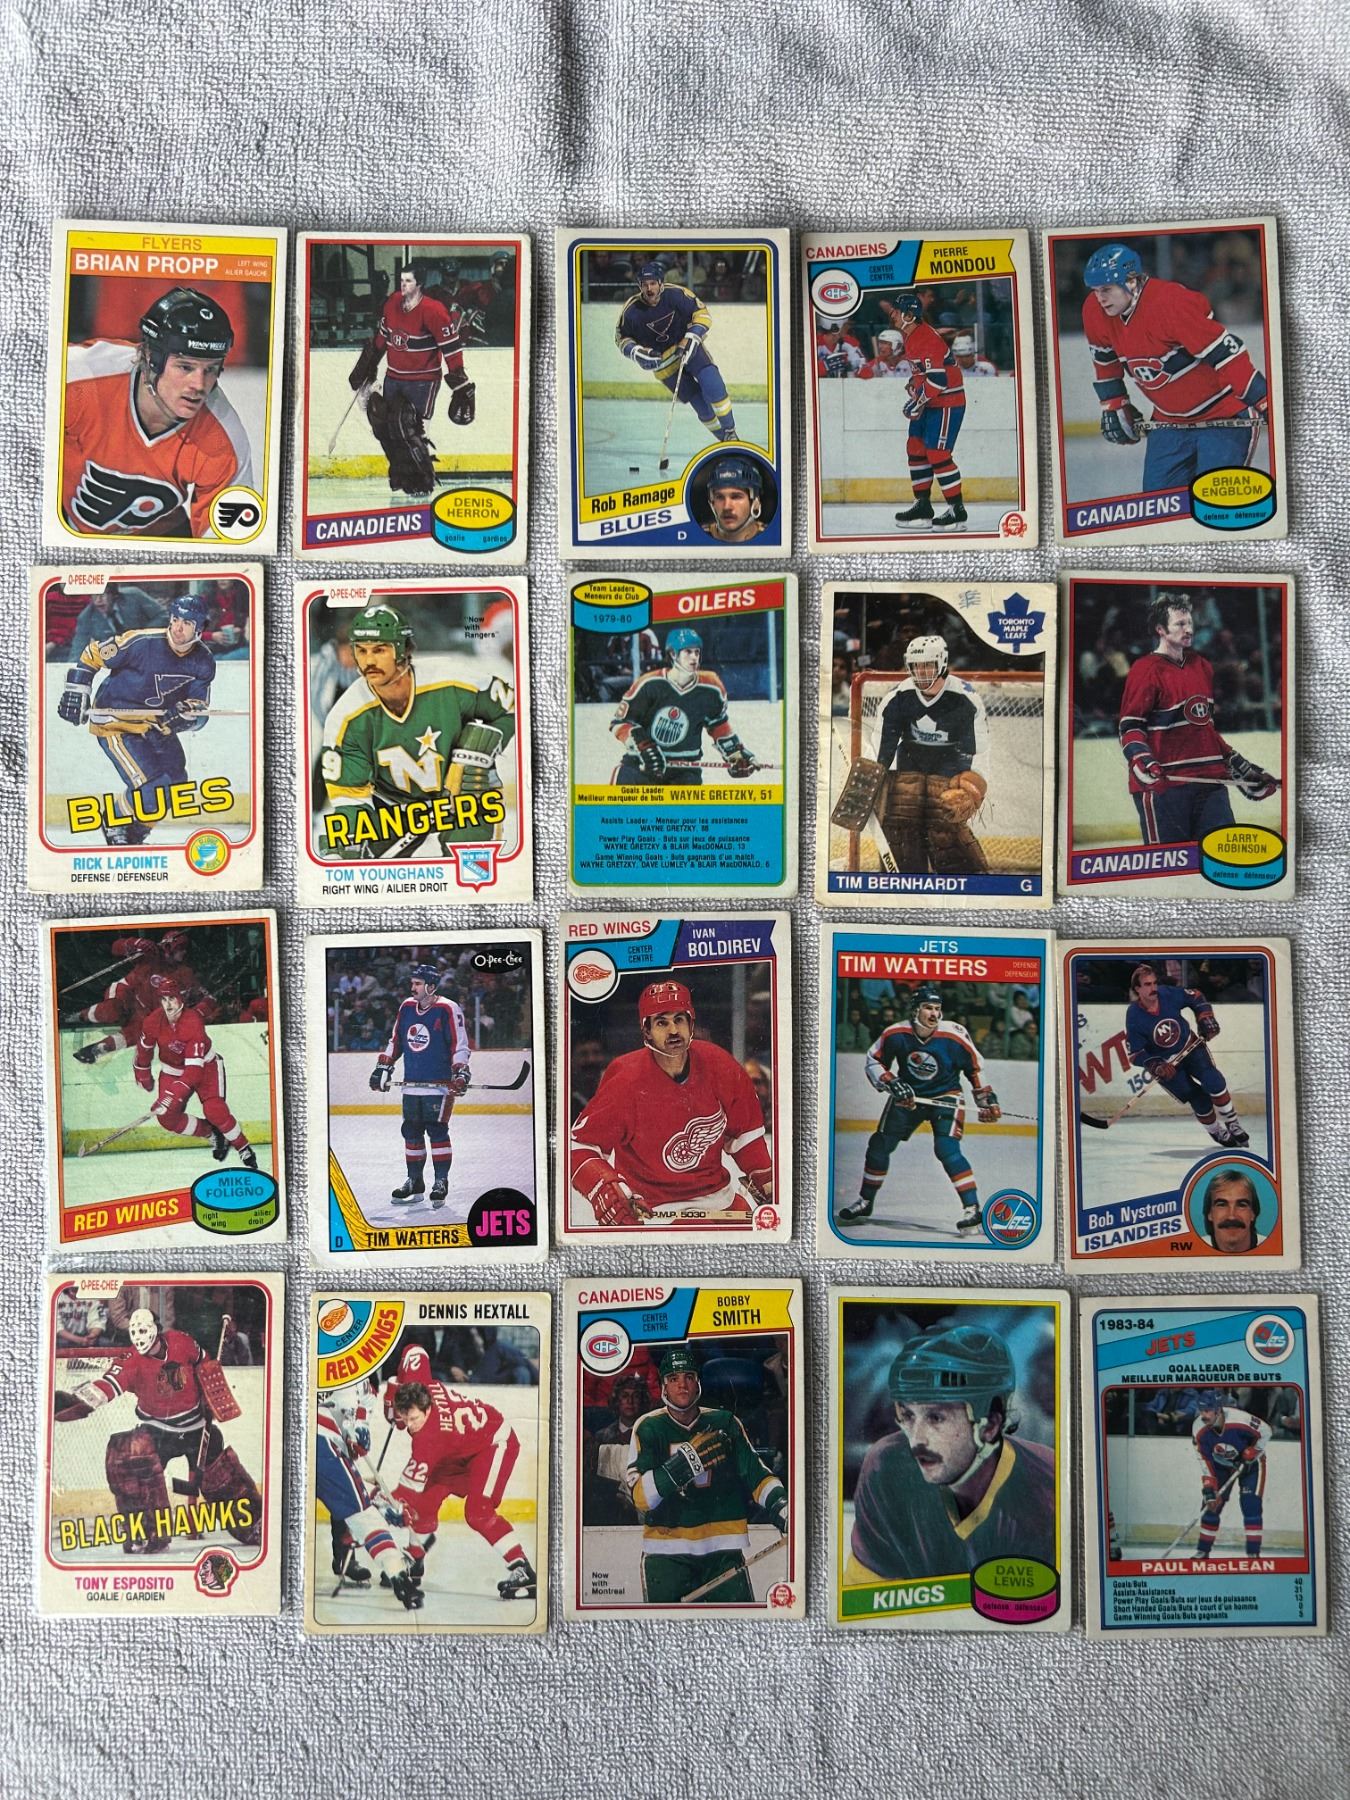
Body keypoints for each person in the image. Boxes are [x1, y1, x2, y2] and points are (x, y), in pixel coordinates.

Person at [845, 1325, 1056, 1582]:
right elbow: (866, 1597)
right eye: (908, 1416)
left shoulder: (1048, 1490)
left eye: (936, 1417)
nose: (916, 1439)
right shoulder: (886, 1465)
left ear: (990, 1425)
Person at [51, 1306, 262, 1554]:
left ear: (156, 1329)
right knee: (129, 1459)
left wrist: (210, 1390)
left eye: (143, 1330)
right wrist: (74, 1402)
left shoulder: (181, 1341)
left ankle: (254, 1522)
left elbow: (204, 1361)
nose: (139, 1337)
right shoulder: (130, 1360)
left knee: (224, 1479)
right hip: (159, 1433)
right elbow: (105, 1387)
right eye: (134, 1332)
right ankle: (146, 1531)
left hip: (197, 1430)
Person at [318, 601, 515, 861]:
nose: (369, 661)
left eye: (379, 650)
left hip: (463, 798)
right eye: (361, 650)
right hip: (395, 809)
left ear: (402, 649)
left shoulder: (451, 679)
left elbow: (511, 707)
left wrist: (479, 751)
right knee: (347, 851)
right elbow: (350, 797)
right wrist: (352, 843)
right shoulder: (347, 716)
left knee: (473, 874)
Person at [570, 980, 772, 1227]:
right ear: (646, 1031)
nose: (674, 1030)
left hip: (720, 1200)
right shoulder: (626, 1080)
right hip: (653, 1210)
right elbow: (579, 1145)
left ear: (691, 1024)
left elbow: (745, 1134)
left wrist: (766, 1178)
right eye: (661, 1022)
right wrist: (602, 1186)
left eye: (679, 1019)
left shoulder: (719, 1064)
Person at [61, 287, 254, 538]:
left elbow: (229, 542)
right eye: (185, 367)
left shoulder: (223, 438)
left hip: (156, 544)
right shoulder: (78, 377)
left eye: (210, 369)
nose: (199, 385)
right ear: (151, 357)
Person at [1079, 242, 1269, 494]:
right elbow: (1105, 362)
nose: (1100, 298)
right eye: (1095, 290)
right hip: (1168, 422)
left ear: (1131, 281)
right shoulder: (1094, 311)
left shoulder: (1171, 303)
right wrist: (1115, 404)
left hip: (1225, 415)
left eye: (1106, 289)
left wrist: (1264, 399)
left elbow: (1226, 354)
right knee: (1160, 509)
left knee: (1213, 507)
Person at [624, 1348, 787, 1603]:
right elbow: (640, 1498)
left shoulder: (726, 1423)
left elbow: (757, 1476)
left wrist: (782, 1507)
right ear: (663, 1386)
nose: (682, 1385)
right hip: (667, 1556)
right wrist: (680, 1467)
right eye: (674, 1378)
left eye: (689, 1377)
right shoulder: (648, 1427)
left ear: (698, 1382)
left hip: (722, 1551)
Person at [1118, 592, 1279, 849]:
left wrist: (1243, 769)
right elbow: (1130, 727)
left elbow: (1204, 730)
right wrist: (1143, 761)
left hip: (1210, 784)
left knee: (1221, 859)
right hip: (1165, 787)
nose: (1189, 629)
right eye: (1180, 624)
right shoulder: (1145, 670)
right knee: (1170, 867)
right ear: (1160, 629)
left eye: (1190, 622)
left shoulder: (1201, 666)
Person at [56, 591, 217, 847]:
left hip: (154, 726)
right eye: (175, 619)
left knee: (176, 786)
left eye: (187, 623)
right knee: (151, 786)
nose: (178, 627)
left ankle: (135, 833)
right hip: (115, 724)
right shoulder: (141, 642)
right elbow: (92, 654)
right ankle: (114, 820)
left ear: (200, 628)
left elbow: (200, 710)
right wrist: (78, 691)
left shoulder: (204, 661)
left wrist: (186, 714)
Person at [838, 987, 999, 1234]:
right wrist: (891, 1081)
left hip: (946, 1096)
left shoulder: (953, 1034)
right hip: (909, 1098)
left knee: (946, 1148)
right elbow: (874, 1060)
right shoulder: (895, 1033)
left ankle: (973, 1209)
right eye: (928, 1008)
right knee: (879, 1145)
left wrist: (986, 1100)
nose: (934, 1014)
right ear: (915, 1011)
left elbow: (974, 1067)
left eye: (937, 1009)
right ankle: (865, 1201)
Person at [385, 1345, 537, 1602]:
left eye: (413, 1419)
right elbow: (415, 1353)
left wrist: (380, 1504)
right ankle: (415, 1559)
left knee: (478, 1512)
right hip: (456, 1450)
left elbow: (405, 1493)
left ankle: (523, 1569)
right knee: (425, 1503)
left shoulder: (428, 1439)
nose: (409, 1425)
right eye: (406, 1418)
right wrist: (396, 1384)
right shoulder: (421, 1388)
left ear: (426, 1409)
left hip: (492, 1443)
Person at [869, 635, 992, 875]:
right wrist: (873, 778)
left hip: (950, 764)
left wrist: (974, 783)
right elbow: (882, 745)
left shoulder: (965, 698)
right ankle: (905, 883)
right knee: (901, 823)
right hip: (910, 764)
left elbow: (978, 750)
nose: (921, 672)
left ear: (942, 663)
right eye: (916, 666)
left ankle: (967, 884)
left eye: (928, 665)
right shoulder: (897, 697)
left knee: (944, 828)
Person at [348, 263, 475, 496]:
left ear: (420, 284)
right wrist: (368, 362)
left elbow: (451, 348)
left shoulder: (434, 311)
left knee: (407, 426)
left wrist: (460, 383)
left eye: (408, 281)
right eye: (401, 280)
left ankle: (424, 480)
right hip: (394, 376)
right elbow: (383, 337)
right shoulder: (392, 303)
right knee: (383, 422)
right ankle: (402, 477)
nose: (403, 285)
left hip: (423, 380)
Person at [369, 963, 469, 1207]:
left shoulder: (448, 1008)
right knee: (411, 1131)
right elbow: (396, 1041)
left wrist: (460, 1071)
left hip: (439, 1086)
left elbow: (459, 1044)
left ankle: (441, 1182)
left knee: (437, 1131)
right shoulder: (406, 1007)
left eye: (417, 984)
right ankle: (415, 1181)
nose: (412, 987)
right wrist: (383, 1066)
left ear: (431, 987)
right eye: (412, 983)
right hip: (412, 1084)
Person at [132, 979, 258, 1170]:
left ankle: (243, 1147)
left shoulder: (193, 1021)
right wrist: (142, 1071)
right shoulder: (152, 1021)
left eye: (172, 998)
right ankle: (212, 1133)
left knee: (214, 1110)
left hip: (205, 1067)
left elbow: (194, 1071)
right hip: (172, 1071)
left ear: (180, 999)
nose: (168, 1004)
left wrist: (173, 1094)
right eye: (164, 1000)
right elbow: (144, 1048)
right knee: (166, 1118)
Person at [610, 625, 757, 785]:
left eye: (697, 652)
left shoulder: (711, 687)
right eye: (688, 652)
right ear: (673, 654)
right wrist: (642, 745)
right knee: (622, 787)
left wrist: (734, 753)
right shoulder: (650, 683)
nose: (694, 658)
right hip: (642, 766)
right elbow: (620, 723)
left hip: (684, 771)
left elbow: (718, 725)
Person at [317, 1386, 422, 1609]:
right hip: (323, 1441)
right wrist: (379, 1502)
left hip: (306, 1442)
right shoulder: (343, 1378)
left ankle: (343, 1559)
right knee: (363, 1515)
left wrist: (360, 1424)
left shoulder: (360, 1383)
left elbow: (365, 1400)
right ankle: (398, 1575)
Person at [1124, 963, 1249, 1148]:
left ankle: (1232, 1122)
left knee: (1213, 1080)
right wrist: (1156, 1065)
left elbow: (1195, 996)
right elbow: (1135, 1054)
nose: (1153, 988)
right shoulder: (1134, 1015)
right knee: (1198, 1099)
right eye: (1147, 984)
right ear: (1137, 989)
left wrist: (1205, 1017)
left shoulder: (1167, 994)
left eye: (1154, 983)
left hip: (1189, 1047)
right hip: (1167, 1066)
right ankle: (1215, 1131)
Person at [615, 262, 740, 442]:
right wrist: (636, 352)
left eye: (653, 283)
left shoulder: (676, 294)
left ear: (661, 283)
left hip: (688, 349)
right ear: (639, 286)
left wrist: (692, 336)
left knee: (713, 385)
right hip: (663, 365)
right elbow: (621, 338)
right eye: (644, 284)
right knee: (701, 406)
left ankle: (730, 431)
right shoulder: (632, 310)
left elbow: (702, 313)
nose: (649, 289)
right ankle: (725, 440)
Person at [881, 291, 967, 531]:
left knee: (938, 454)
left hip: (946, 402)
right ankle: (922, 506)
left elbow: (939, 381)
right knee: (915, 448)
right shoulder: (911, 336)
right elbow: (925, 373)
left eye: (897, 311)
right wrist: (914, 383)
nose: (893, 314)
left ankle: (957, 511)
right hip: (930, 402)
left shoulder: (925, 337)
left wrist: (917, 403)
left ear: (909, 315)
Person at [63, 927, 208, 1065]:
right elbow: (116, 948)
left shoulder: (185, 973)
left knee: (141, 1032)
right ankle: (79, 1016)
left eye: (185, 948)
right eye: (180, 948)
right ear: (168, 947)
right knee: (113, 1010)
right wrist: (135, 943)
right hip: (127, 993)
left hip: (144, 1012)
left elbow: (203, 995)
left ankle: (97, 1050)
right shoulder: (151, 956)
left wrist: (201, 1006)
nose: (184, 952)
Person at [1191, 1390, 1271, 1558]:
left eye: (1207, 1411)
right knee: (1211, 1505)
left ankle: (1253, 1554)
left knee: (1250, 1504)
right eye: (1201, 1410)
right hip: (1221, 1467)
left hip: (1250, 1466)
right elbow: (1203, 1457)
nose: (1203, 1415)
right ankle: (1203, 1551)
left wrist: (1254, 1451)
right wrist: (1209, 1485)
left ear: (1218, 1410)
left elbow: (1266, 1431)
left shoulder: (1240, 1420)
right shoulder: (1198, 1428)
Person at [65, 582, 169, 660]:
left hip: (149, 648)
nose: (98, 600)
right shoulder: (86, 617)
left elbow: (163, 616)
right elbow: (77, 649)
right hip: (117, 658)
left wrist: (140, 635)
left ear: (113, 595)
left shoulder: (134, 595)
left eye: (102, 595)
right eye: (94, 596)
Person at [701, 456, 768, 543]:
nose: (726, 507)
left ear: (755, 502)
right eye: (720, 497)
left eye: (736, 497)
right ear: (712, 502)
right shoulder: (696, 536)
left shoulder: (773, 537)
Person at [1199, 1167, 1263, 1253]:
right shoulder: (1194, 1250)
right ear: (1209, 1213)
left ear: (1253, 1213)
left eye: (1241, 1205)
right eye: (1222, 1205)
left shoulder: (1273, 1248)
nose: (1231, 1216)